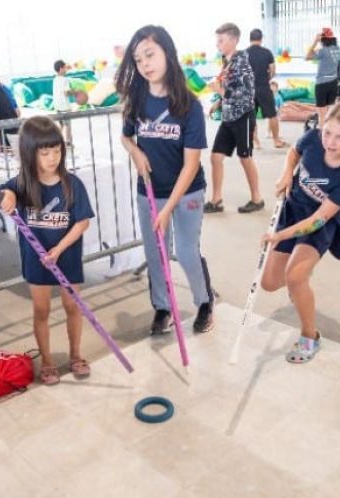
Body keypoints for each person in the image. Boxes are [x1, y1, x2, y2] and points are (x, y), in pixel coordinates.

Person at [116, 25, 215, 334]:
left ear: (168, 54)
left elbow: (190, 165)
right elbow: (125, 136)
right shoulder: (137, 98)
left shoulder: (189, 105)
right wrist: (134, 151)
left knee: (185, 251)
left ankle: (203, 302)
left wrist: (168, 207)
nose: (145, 64)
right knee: (156, 252)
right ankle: (162, 307)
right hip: (148, 191)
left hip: (186, 193)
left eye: (150, 55)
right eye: (138, 59)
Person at [0, 116, 95, 385]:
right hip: (36, 261)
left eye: (57, 151)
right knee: (41, 311)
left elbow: (83, 222)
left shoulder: (72, 183)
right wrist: (3, 194)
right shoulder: (20, 184)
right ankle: (46, 361)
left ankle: (76, 355)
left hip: (66, 257)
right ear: (30, 153)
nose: (52, 158)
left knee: (72, 307)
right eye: (45, 153)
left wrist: (59, 249)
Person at [260, 100, 340, 363]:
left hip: (317, 225)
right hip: (291, 211)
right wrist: (287, 174)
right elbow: (293, 153)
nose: (330, 141)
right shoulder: (312, 139)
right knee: (269, 283)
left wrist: (279, 237)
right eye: (327, 132)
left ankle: (311, 335)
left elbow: (319, 219)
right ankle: (299, 282)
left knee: (295, 276)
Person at [204, 22, 264, 214]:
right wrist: (218, 102)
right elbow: (230, 90)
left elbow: (246, 94)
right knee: (215, 157)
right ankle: (216, 200)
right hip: (228, 117)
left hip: (243, 117)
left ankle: (257, 199)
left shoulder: (242, 62)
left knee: (245, 157)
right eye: (217, 40)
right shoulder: (227, 62)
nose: (217, 44)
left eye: (221, 40)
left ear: (234, 40)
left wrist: (219, 91)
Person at [246, 28, 287, 149]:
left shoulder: (243, 54)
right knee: (272, 115)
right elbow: (273, 71)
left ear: (250, 38)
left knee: (250, 116)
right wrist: (266, 77)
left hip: (248, 90)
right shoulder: (267, 53)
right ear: (261, 38)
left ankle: (255, 142)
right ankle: (276, 141)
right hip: (264, 87)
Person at [305, 28, 340, 129]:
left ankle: (322, 136)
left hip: (322, 83)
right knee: (330, 112)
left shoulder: (323, 51)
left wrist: (315, 41)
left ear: (323, 40)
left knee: (322, 114)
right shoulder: (337, 49)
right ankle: (330, 132)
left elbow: (307, 57)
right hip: (333, 82)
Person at [52, 59, 74, 145]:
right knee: (68, 125)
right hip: (65, 106)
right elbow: (66, 92)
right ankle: (68, 141)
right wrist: (74, 92)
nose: (66, 69)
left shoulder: (55, 79)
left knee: (61, 125)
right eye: (65, 68)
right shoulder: (65, 80)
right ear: (61, 69)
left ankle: (58, 140)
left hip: (57, 106)